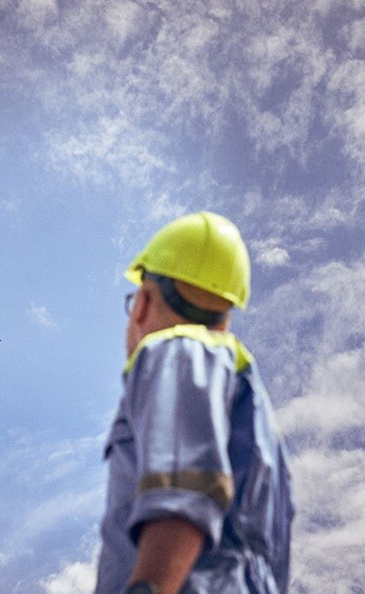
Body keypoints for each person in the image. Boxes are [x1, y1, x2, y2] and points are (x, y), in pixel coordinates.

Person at [95, 211, 294, 594]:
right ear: (226, 317)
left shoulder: (174, 353)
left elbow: (183, 495)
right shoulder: (260, 420)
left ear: (142, 303)